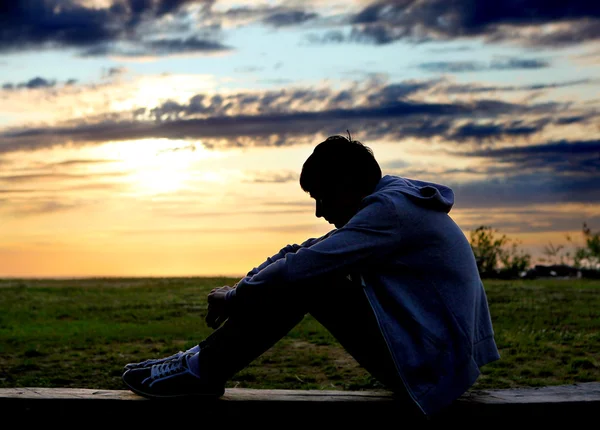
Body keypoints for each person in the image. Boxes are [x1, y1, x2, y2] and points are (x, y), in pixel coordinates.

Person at [122, 133, 501, 419]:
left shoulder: (391, 212)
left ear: (349, 185)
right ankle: (199, 363)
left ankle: (201, 370)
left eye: (323, 197)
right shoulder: (390, 204)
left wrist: (236, 299)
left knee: (312, 279)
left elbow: (303, 267)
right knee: (309, 269)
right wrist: (240, 289)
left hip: (435, 370)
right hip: (439, 358)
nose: (320, 211)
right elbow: (302, 251)